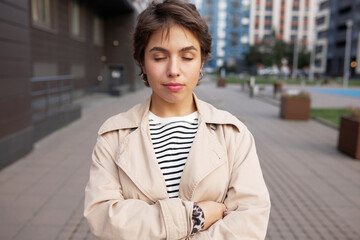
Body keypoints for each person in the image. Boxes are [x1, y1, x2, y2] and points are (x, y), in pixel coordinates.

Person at [84, 0, 270, 239]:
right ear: (142, 61)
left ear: (202, 60)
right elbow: (102, 218)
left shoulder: (232, 133)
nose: (173, 69)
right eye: (159, 57)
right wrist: (194, 216)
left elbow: (249, 222)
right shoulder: (114, 135)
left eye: (187, 57)